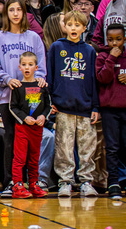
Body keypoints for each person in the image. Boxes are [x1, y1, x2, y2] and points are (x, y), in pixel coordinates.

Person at [0, 0, 47, 197]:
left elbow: (41, 68)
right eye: (11, 10)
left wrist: (37, 81)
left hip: (30, 99)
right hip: (7, 97)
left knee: (30, 142)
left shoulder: (34, 38)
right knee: (10, 138)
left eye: (19, 10)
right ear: (6, 13)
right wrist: (6, 79)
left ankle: (31, 182)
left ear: (24, 13)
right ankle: (11, 182)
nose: (15, 13)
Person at [47, 10, 100, 198]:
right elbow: (50, 77)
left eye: (78, 25)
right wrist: (51, 102)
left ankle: (86, 181)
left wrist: (95, 107)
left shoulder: (89, 50)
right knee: (64, 147)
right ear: (65, 26)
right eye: (70, 24)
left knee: (87, 147)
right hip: (63, 108)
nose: (73, 28)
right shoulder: (56, 47)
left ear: (84, 28)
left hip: (85, 108)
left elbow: (94, 80)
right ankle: (65, 182)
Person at [8, 51, 51, 198]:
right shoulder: (17, 86)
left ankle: (33, 183)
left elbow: (48, 106)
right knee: (19, 158)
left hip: (37, 129)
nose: (27, 67)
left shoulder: (42, 85)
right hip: (22, 128)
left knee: (34, 158)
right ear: (19, 67)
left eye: (30, 65)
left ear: (36, 67)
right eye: (24, 65)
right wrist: (25, 118)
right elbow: (12, 107)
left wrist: (43, 116)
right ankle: (17, 185)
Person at [97, 23, 126, 200]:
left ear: (124, 39)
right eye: (111, 40)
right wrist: (111, 59)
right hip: (109, 110)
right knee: (112, 147)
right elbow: (103, 78)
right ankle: (113, 182)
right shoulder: (102, 56)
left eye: (118, 39)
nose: (114, 44)